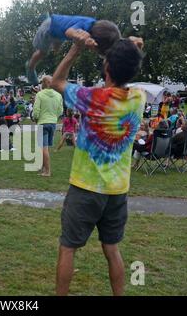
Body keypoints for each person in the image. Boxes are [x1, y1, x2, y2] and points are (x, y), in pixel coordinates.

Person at [51, 36, 145, 296]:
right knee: (112, 250)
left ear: (106, 68)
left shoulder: (91, 97)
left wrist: (75, 49)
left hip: (85, 188)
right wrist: (131, 47)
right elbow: (128, 64)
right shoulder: (139, 98)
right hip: (117, 191)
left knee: (68, 247)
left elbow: (57, 81)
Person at [26, 14, 144, 85]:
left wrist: (127, 42)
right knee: (42, 52)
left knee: (57, 45)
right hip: (49, 30)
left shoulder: (95, 26)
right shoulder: (83, 29)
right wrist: (80, 38)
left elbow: (113, 42)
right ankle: (30, 67)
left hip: (58, 28)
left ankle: (51, 25)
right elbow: (68, 32)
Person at [33, 75, 63, 177]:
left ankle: (47, 171)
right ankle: (43, 167)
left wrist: (36, 118)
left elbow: (36, 111)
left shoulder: (40, 95)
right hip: (53, 123)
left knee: (43, 148)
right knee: (45, 148)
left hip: (43, 122)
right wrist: (54, 117)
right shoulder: (58, 95)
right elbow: (60, 111)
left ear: (44, 83)